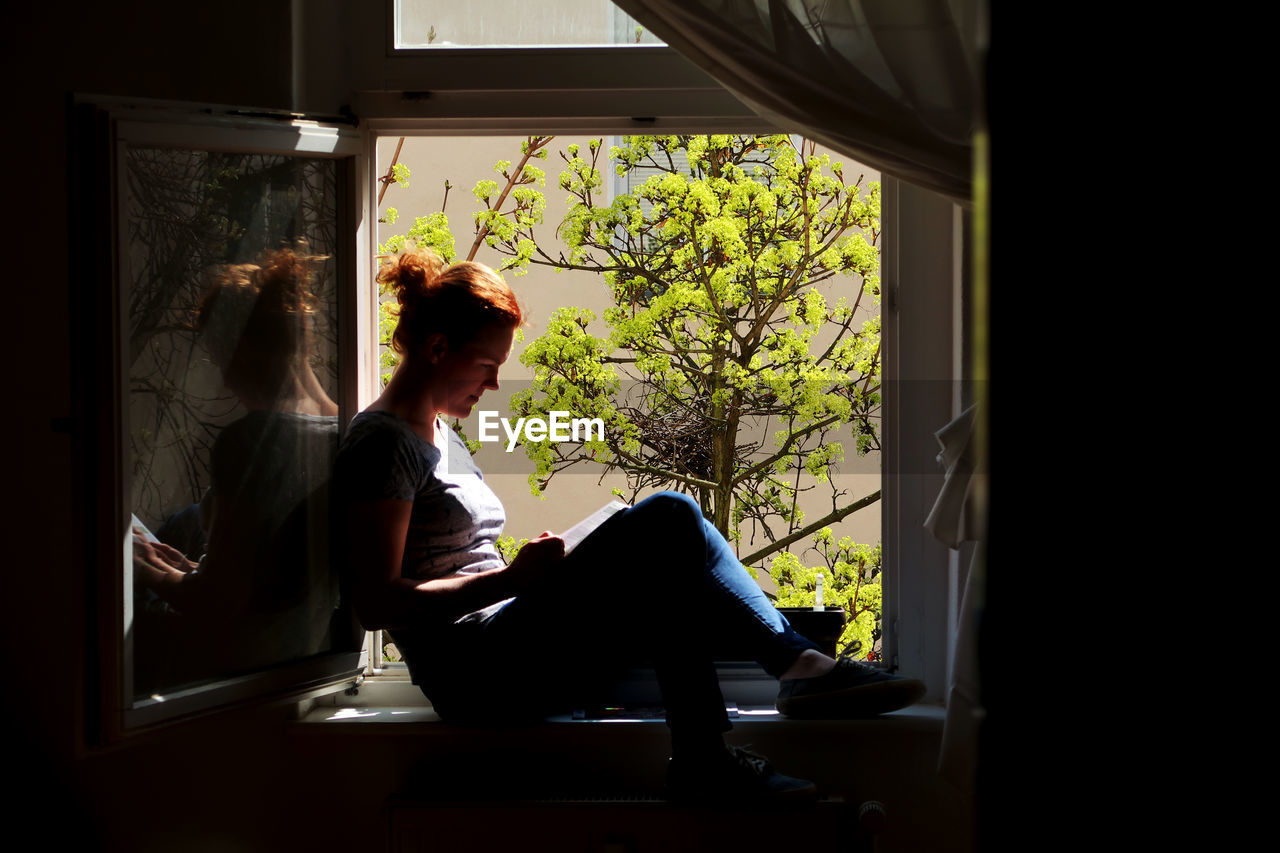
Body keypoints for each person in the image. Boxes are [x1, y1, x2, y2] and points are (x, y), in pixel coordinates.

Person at [333, 247, 925, 804]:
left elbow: (455, 557)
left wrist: (545, 571)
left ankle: (782, 684)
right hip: (477, 678)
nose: (492, 386)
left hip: (508, 644)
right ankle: (747, 719)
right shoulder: (382, 443)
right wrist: (515, 582)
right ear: (437, 349)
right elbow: (376, 604)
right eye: (487, 366)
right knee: (667, 516)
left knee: (669, 531)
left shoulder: (440, 431)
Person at [133, 248, 347, 690]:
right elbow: (265, 580)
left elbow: (220, 603)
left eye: (218, 357)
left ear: (241, 353)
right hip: (309, 659)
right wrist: (183, 566)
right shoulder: (347, 432)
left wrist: (137, 567)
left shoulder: (253, 443)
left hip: (239, 666)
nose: (224, 379)